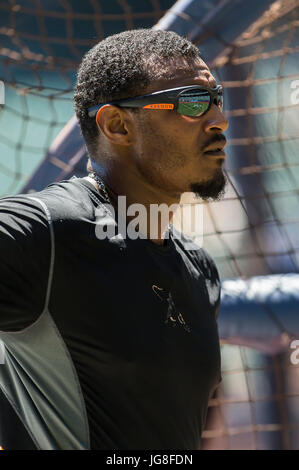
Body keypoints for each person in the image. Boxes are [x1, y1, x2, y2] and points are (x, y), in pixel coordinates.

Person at [0, 29, 228, 450]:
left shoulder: (199, 268)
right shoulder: (44, 232)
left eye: (216, 98)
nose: (219, 119)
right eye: (192, 102)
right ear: (118, 125)